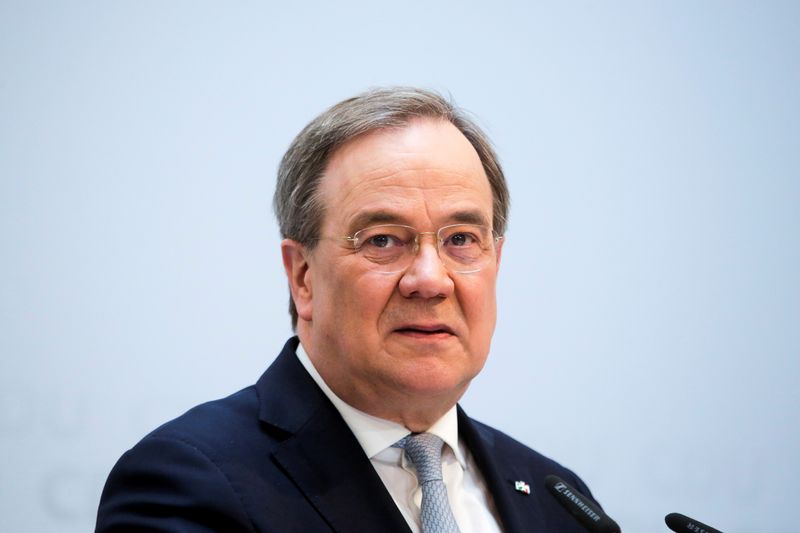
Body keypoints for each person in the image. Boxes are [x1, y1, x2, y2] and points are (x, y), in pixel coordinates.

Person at [96, 88, 597, 532]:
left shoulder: (558, 499)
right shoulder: (191, 483)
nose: (430, 279)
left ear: (496, 261)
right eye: (383, 240)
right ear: (303, 277)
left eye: (462, 239)